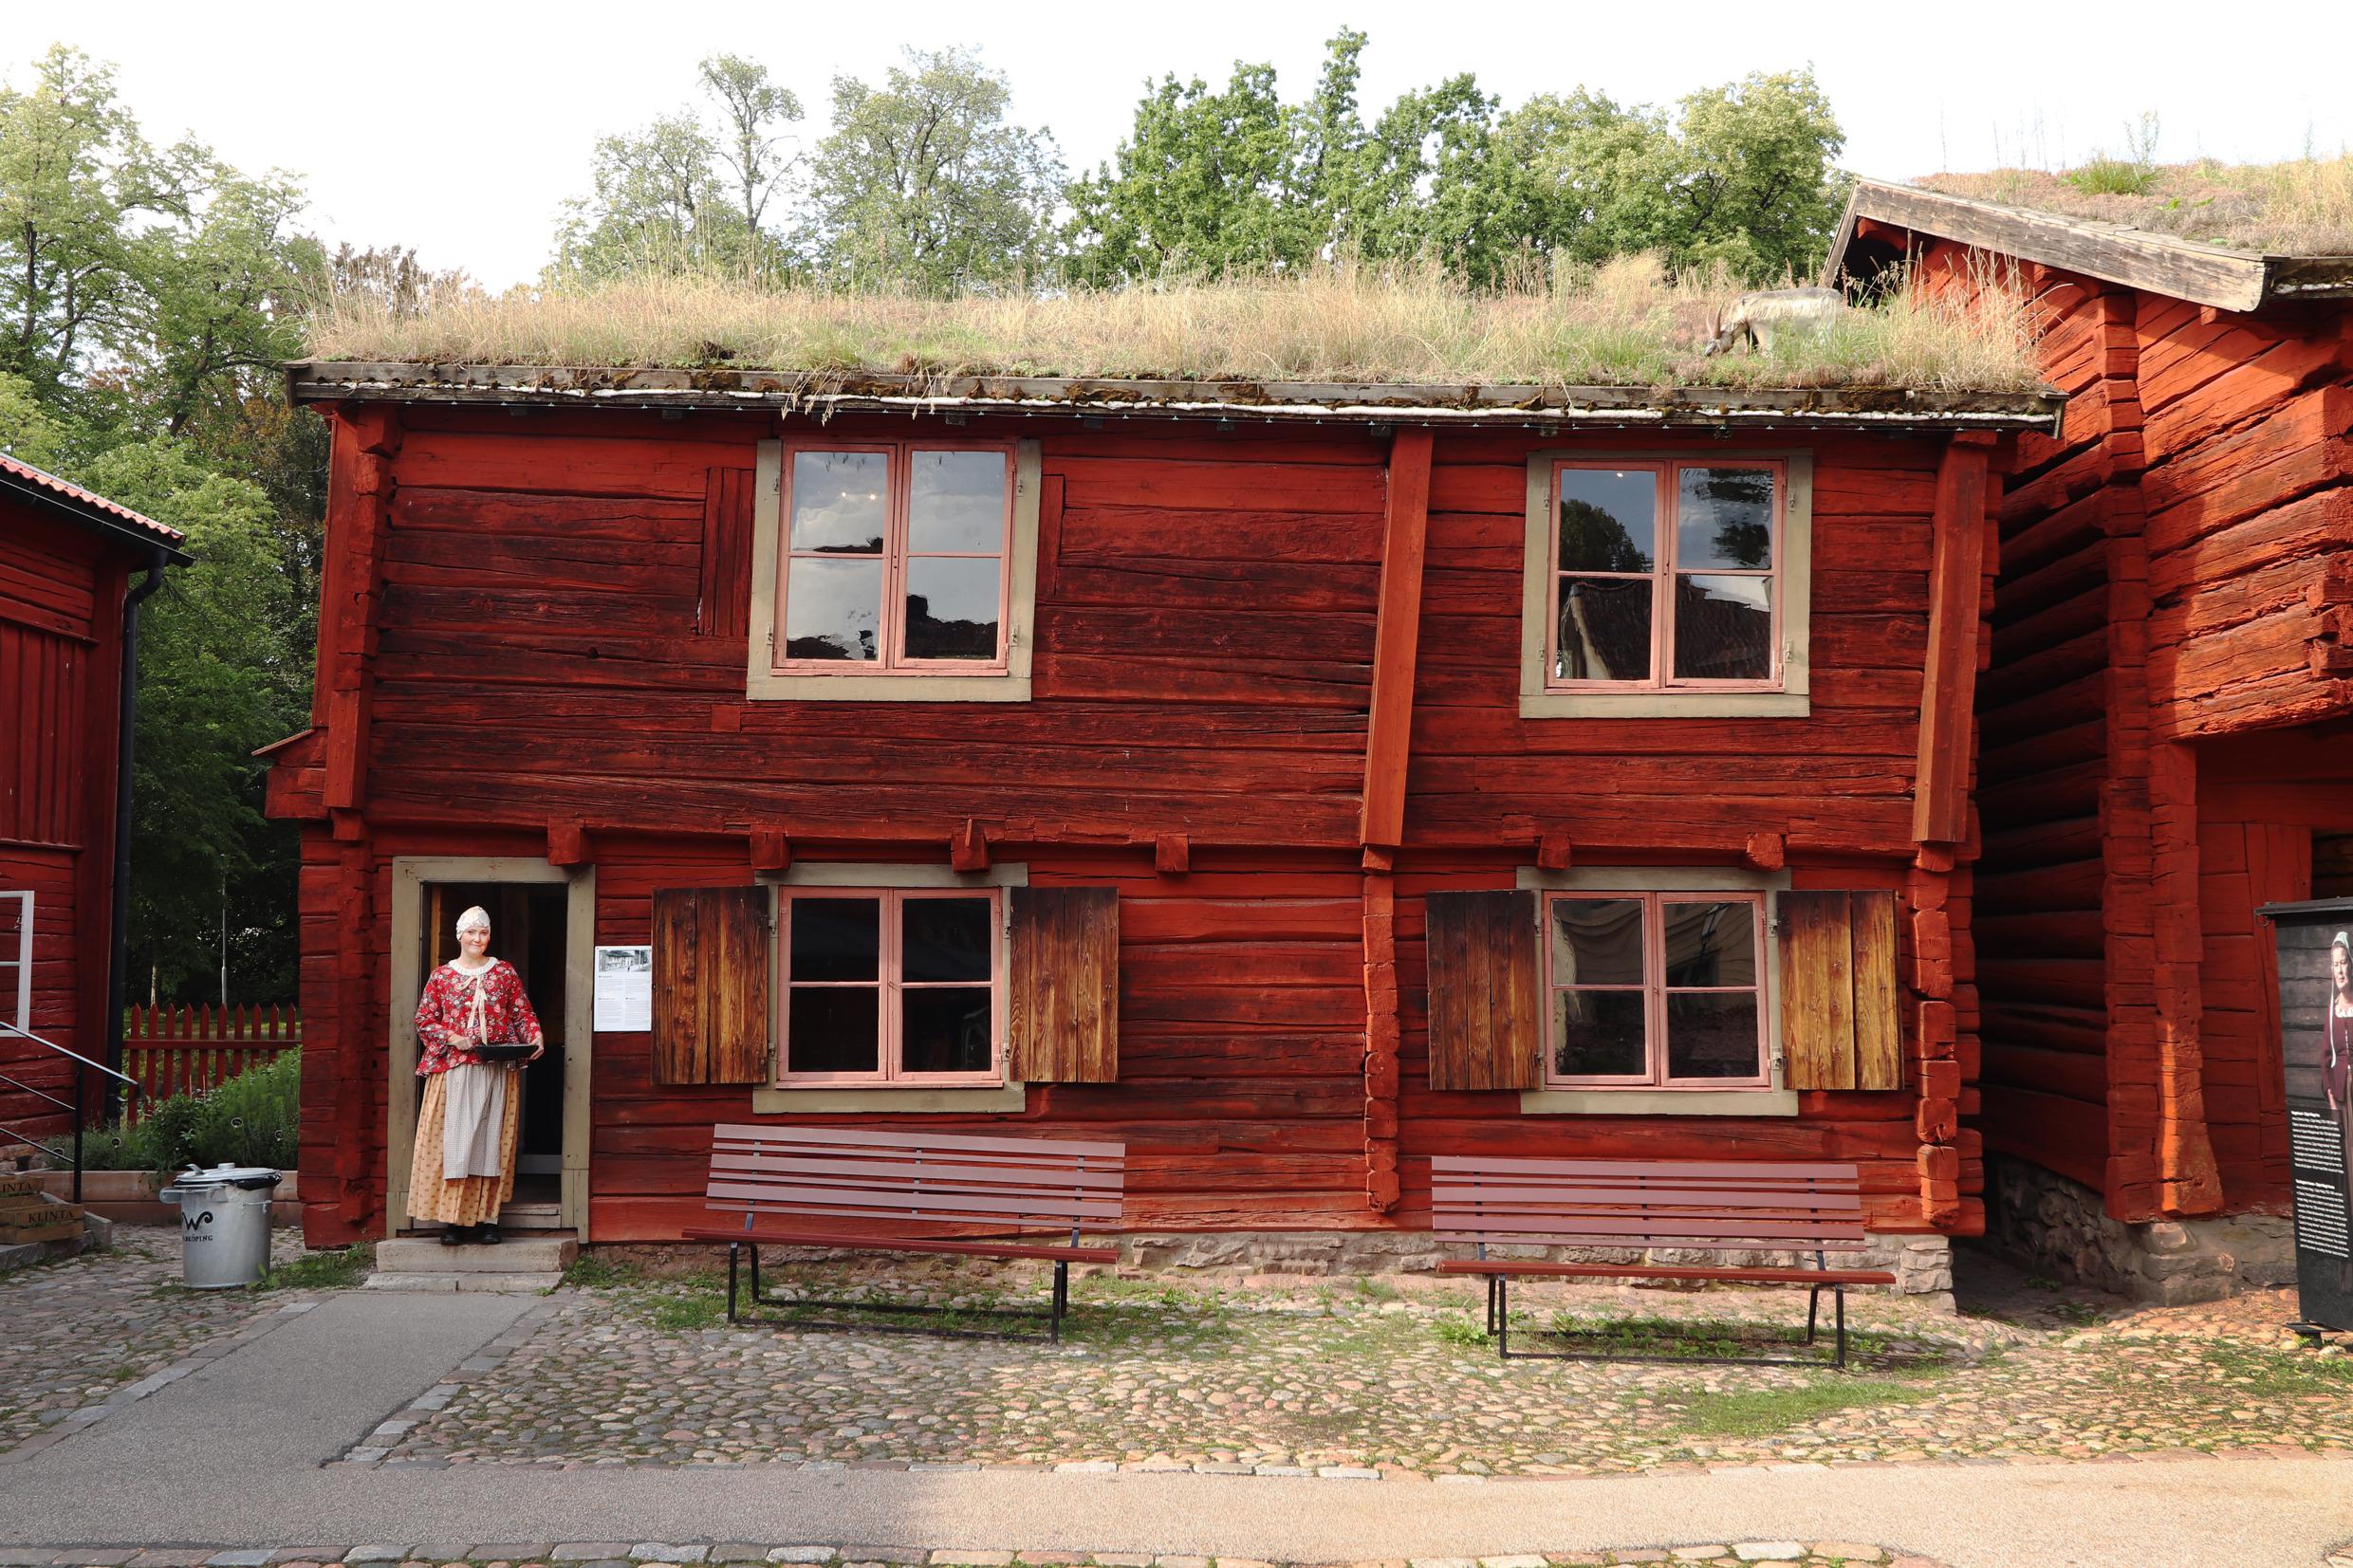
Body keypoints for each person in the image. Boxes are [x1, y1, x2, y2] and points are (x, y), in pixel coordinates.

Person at [408, 905, 544, 1245]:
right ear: (459, 936)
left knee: (491, 1145)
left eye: (483, 932)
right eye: (471, 932)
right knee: (455, 1144)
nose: (477, 939)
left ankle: (488, 1220)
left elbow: (521, 1012)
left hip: (496, 1069)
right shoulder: (443, 976)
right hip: (455, 1070)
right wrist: (454, 1037)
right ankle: (453, 1221)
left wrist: (535, 1035)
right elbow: (424, 1019)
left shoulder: (504, 973)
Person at [2326, 932, 2353, 1292]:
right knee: (2346, 1179)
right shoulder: (2331, 1009)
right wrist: (2331, 1093)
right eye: (2334, 965)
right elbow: (2323, 1056)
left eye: (2343, 962)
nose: (2340, 971)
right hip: (2344, 1101)